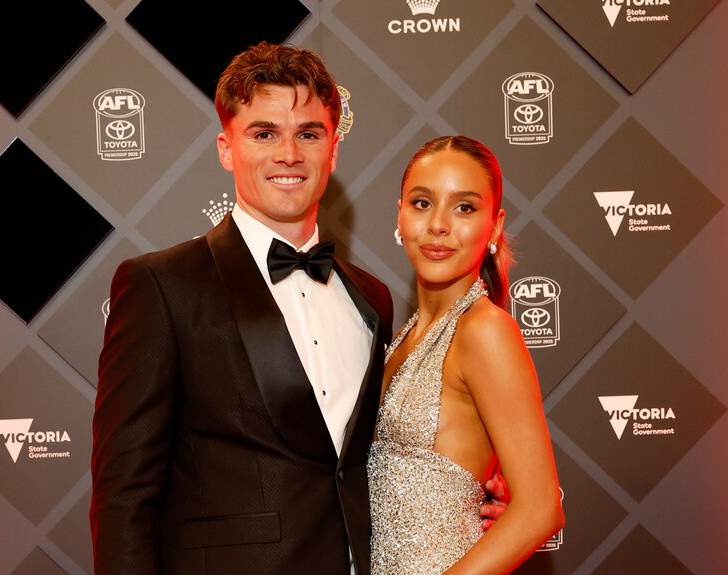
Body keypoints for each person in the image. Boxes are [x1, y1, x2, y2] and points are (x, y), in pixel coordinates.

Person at [90, 41, 506, 575]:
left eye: (308, 134)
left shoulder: (372, 298)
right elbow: (124, 497)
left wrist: (472, 489)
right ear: (225, 148)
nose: (289, 154)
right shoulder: (161, 286)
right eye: (265, 133)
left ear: (333, 151)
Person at [368, 136, 564, 574]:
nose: (438, 224)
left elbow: (541, 509)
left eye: (464, 208)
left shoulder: (484, 331)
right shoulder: (402, 337)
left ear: (494, 227)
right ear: (399, 213)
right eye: (421, 203)